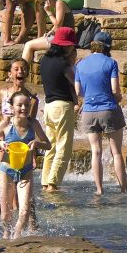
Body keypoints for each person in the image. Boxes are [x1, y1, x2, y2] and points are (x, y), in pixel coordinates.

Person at [0, 58, 39, 241]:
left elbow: (31, 128)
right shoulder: (4, 93)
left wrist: (33, 155)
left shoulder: (32, 99)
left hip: (24, 148)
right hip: (4, 146)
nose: (20, 72)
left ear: (27, 73)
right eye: (16, 69)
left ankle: (31, 225)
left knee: (25, 190)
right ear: (10, 74)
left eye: (23, 69)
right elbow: (1, 123)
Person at [0, 91, 50, 238]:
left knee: (25, 211)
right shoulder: (6, 124)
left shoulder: (33, 124)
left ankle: (16, 237)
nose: (23, 108)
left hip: (25, 171)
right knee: (5, 214)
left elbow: (48, 145)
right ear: (12, 107)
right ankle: (7, 236)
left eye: (27, 105)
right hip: (6, 170)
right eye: (19, 105)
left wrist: (38, 143)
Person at [75, 31, 127, 195]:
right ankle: (123, 189)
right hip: (109, 109)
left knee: (95, 151)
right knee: (116, 152)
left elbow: (78, 91)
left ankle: (99, 189)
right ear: (107, 46)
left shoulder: (80, 64)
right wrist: (118, 97)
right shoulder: (111, 63)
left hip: (89, 111)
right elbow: (114, 89)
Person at [40, 27, 78, 192]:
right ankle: (53, 184)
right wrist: (73, 64)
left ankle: (45, 181)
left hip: (48, 106)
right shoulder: (63, 64)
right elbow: (75, 81)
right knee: (63, 146)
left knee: (51, 145)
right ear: (66, 46)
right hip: (62, 106)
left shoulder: (44, 60)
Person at [21, 0, 75, 65]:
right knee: (31, 43)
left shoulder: (59, 3)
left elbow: (58, 25)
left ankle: (23, 71)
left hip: (64, 39)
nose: (43, 6)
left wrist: (48, 12)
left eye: (43, 3)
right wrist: (51, 31)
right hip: (61, 36)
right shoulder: (56, 5)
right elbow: (57, 27)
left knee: (28, 45)